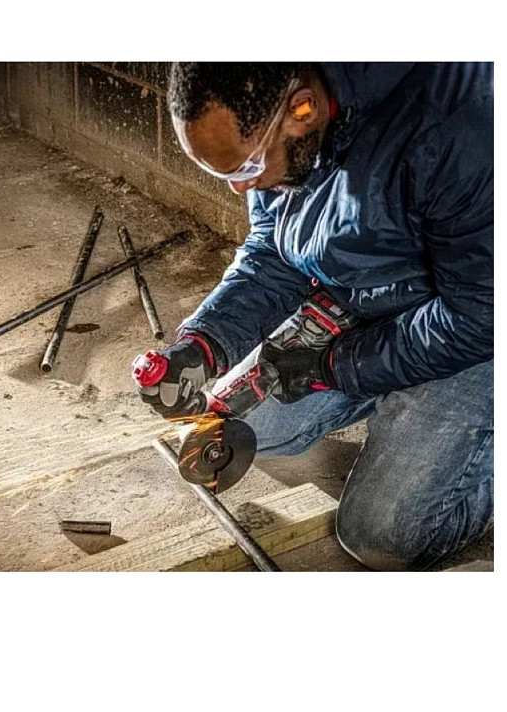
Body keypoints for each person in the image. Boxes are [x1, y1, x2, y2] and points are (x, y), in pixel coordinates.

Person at [132, 62, 493, 571]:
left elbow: (478, 317)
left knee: (381, 537)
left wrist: (335, 366)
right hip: (375, 293)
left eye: (244, 168)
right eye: (224, 173)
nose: (240, 189)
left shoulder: (461, 128)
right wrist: (204, 343)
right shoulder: (281, 111)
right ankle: (398, 408)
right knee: (235, 422)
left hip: (474, 324)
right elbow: (274, 251)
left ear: (303, 108)